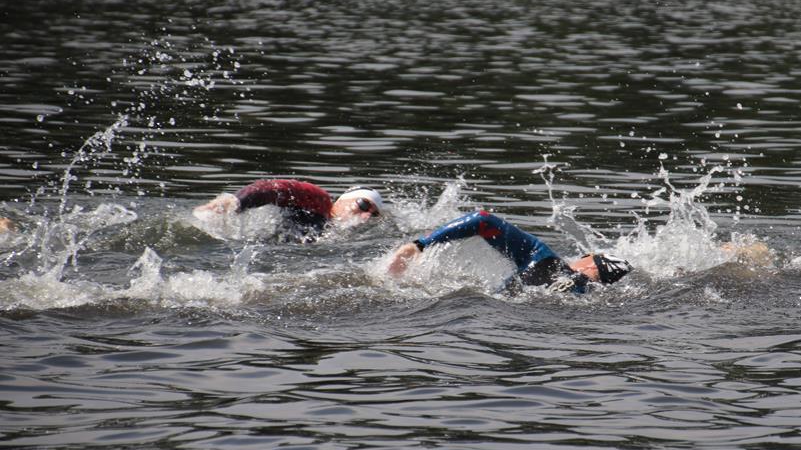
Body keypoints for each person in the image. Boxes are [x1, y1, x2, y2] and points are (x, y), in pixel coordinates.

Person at [387, 210, 633, 294]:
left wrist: (419, 245)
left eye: (586, 255)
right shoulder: (584, 296)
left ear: (590, 263)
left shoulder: (541, 257)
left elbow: (483, 220)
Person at [194, 179, 383, 236]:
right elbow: (274, 188)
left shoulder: (342, 236)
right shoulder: (320, 202)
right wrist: (235, 202)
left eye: (373, 215)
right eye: (363, 204)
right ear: (342, 200)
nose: (366, 215)